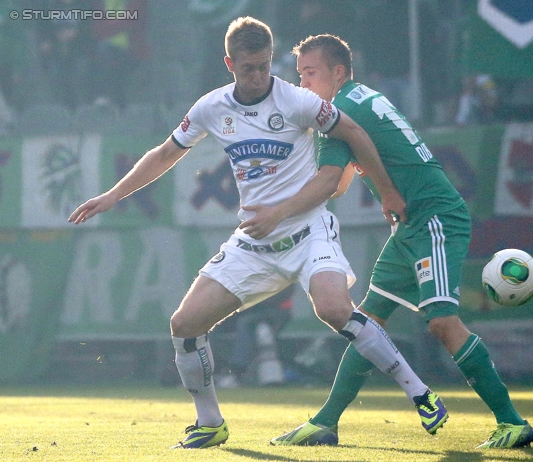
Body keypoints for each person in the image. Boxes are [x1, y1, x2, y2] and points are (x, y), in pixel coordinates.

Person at [68, 17, 447, 449]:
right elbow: (164, 154)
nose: (258, 75)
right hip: (255, 242)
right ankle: (209, 422)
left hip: (308, 231)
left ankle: (420, 392)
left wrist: (386, 191)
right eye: (248, 67)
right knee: (184, 323)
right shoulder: (212, 106)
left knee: (332, 307)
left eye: (264, 65)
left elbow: (355, 132)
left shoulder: (299, 102)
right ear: (229, 62)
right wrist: (113, 196)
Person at [270, 34, 533, 449]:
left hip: (432, 218)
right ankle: (325, 422)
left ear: (337, 72)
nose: (302, 83)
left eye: (310, 73)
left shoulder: (339, 111)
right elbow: (339, 183)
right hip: (411, 225)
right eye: (299, 74)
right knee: (368, 325)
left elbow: (329, 184)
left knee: (441, 323)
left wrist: (277, 207)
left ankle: (512, 421)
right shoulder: (359, 99)